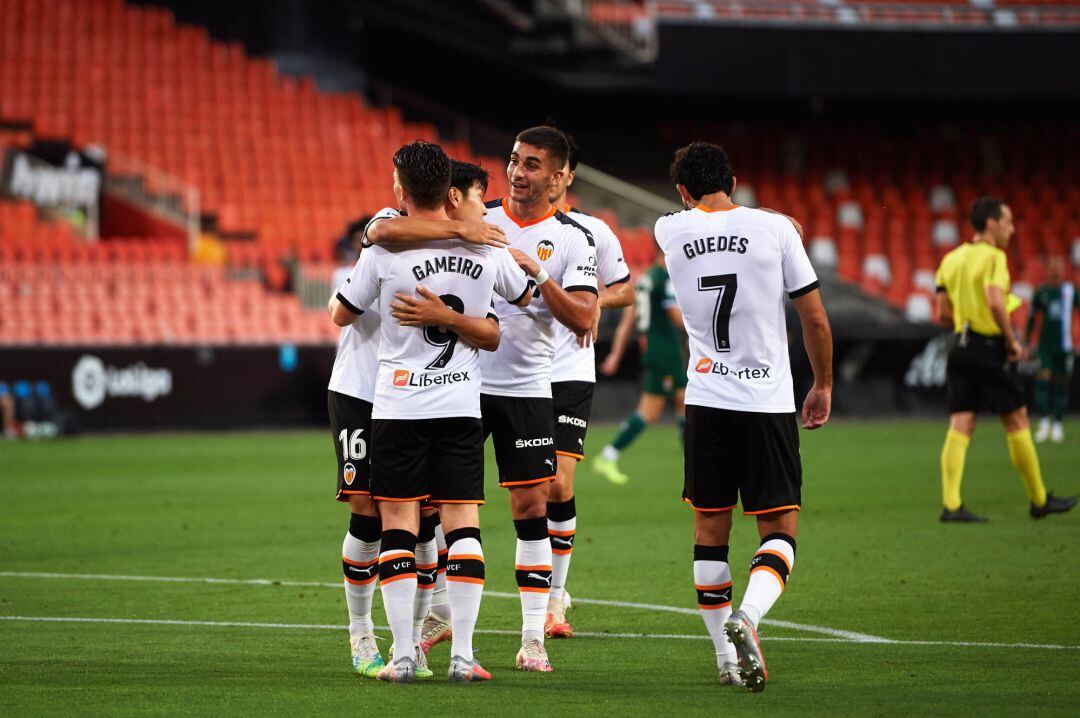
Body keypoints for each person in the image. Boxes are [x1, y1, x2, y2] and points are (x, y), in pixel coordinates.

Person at [330, 141, 531, 683]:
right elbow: (514, 309)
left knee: (410, 526)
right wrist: (469, 238)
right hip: (404, 395)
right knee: (415, 519)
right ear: (451, 192)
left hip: (399, 400)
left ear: (401, 186)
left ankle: (406, 649)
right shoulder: (470, 245)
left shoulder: (395, 250)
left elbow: (342, 311)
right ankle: (401, 641)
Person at [654, 141, 833, 692]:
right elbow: (816, 321)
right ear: (734, 178)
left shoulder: (670, 231)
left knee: (710, 531)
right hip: (766, 403)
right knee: (779, 529)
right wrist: (822, 383)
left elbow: (688, 219)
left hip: (706, 402)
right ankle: (749, 618)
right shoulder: (777, 230)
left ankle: (724, 661)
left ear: (682, 191)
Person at [478, 126, 598, 672]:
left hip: (528, 387)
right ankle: (431, 620)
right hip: (461, 383)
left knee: (531, 508)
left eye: (530, 164)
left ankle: (531, 641)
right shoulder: (479, 221)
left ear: (558, 176)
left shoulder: (574, 239)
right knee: (431, 504)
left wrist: (539, 274)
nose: (517, 172)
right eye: (513, 160)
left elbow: (583, 318)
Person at [543, 130, 634, 638]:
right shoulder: (500, 222)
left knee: (557, 484)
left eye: (555, 170)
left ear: (567, 176)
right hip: (503, 374)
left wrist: (594, 301)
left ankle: (555, 602)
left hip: (569, 370)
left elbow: (625, 290)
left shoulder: (593, 230)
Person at [935, 197, 1076, 522]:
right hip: (988, 347)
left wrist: (969, 318)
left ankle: (951, 504)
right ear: (991, 223)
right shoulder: (995, 257)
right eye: (1008, 222)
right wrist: (1012, 341)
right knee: (1017, 420)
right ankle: (1039, 499)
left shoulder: (952, 259)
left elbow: (942, 311)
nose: (1012, 229)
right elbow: (996, 302)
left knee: (961, 423)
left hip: (960, 345)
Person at [594, 253, 686, 485]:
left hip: (655, 349)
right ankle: (609, 455)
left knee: (684, 402)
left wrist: (615, 355)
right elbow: (676, 316)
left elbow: (627, 321)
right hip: (666, 351)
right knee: (651, 411)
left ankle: (693, 463)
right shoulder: (664, 278)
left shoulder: (643, 280)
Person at [1025, 255, 1078, 443]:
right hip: (1045, 345)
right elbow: (1032, 318)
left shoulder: (1070, 292)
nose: (1055, 271)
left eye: (1058, 267)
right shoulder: (1041, 292)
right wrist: (1026, 341)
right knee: (1044, 379)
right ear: (1047, 270)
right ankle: (1045, 421)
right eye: (1052, 267)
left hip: (1065, 346)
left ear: (1063, 271)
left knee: (1061, 383)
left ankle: (1057, 425)